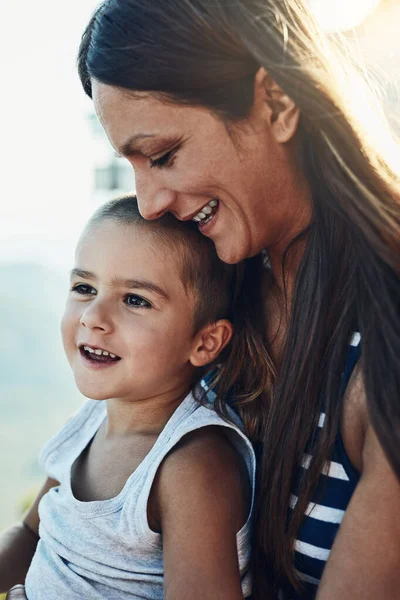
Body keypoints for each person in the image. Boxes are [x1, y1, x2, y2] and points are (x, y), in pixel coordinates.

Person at [74, 1, 400, 599]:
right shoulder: (205, 294)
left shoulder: (385, 334)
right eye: (132, 165)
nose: (147, 203)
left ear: (275, 103)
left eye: (165, 154)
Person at [1, 195, 258, 599]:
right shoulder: (87, 423)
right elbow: (31, 532)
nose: (94, 317)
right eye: (84, 288)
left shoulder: (192, 464)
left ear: (205, 342)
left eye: (135, 300)